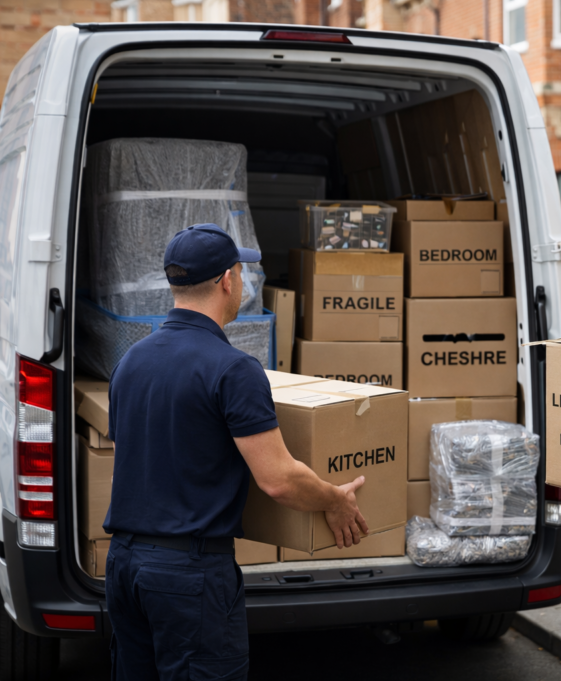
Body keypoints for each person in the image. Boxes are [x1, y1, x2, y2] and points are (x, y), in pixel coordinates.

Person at [103, 223, 370, 680]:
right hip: (190, 575)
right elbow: (278, 480)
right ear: (228, 280)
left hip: (125, 567)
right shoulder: (233, 369)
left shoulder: (131, 361)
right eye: (241, 272)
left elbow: (130, 458)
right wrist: (334, 499)